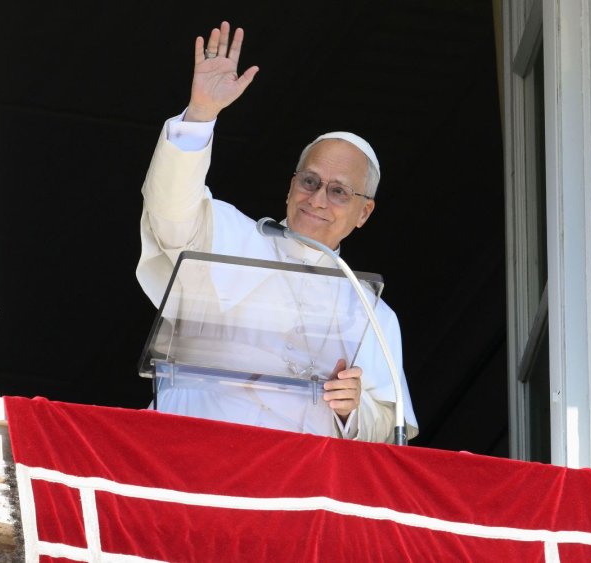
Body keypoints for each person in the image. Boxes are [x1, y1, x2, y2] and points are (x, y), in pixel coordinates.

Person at [136, 21, 418, 442]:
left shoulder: (372, 314)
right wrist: (200, 115)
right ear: (291, 186)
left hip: (295, 486)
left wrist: (353, 406)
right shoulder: (231, 237)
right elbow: (168, 212)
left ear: (364, 212)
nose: (318, 199)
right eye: (310, 181)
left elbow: (390, 430)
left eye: (339, 191)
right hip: (194, 452)